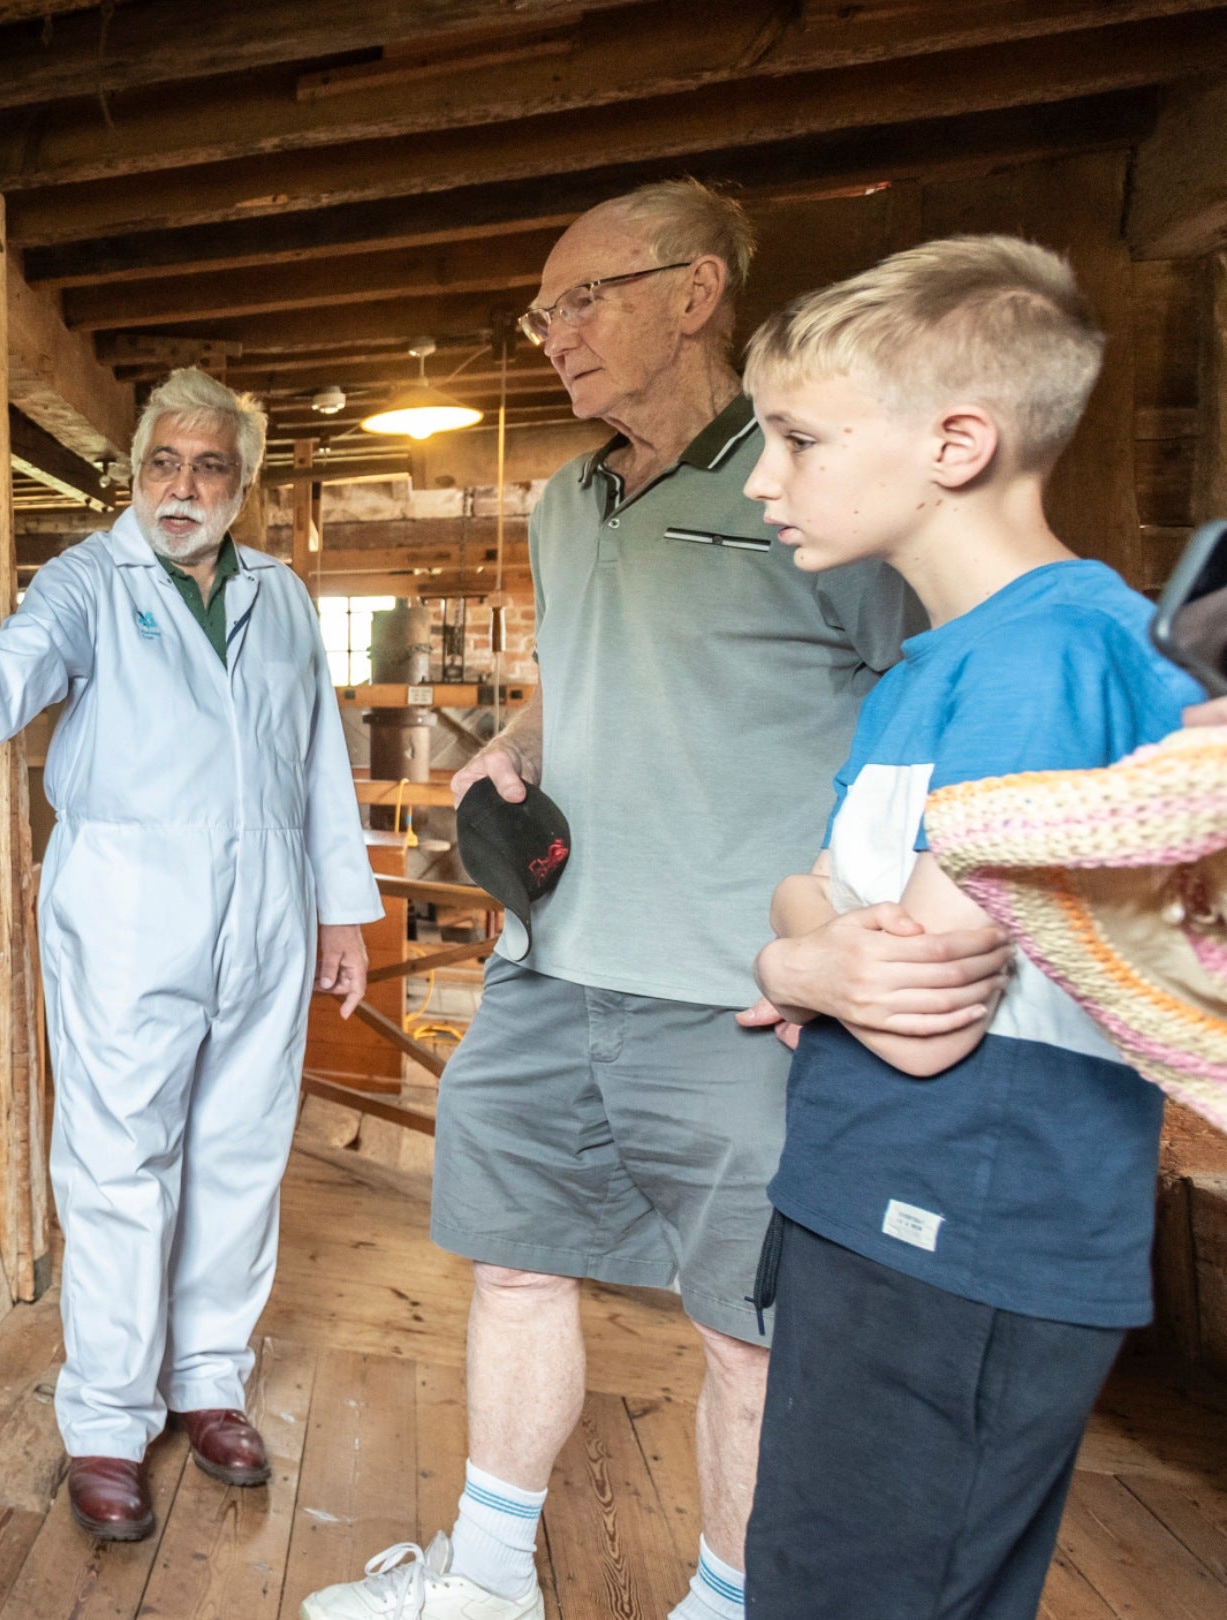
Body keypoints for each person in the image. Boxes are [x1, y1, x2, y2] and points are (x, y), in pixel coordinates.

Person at [307, 181, 933, 1620]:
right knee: (514, 1269)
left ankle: (722, 1605)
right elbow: (583, 672)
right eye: (541, 312)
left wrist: (852, 924)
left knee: (750, 1340)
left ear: (697, 291)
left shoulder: (808, 485)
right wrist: (524, 739)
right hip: (550, 970)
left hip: (742, 997)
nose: (552, 335)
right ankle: (482, 1583)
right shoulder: (562, 502)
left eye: (580, 300)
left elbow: (925, 698)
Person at [732, 236, 1202, 1619]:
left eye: (798, 438)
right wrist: (810, 950)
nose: (765, 478)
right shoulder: (935, 663)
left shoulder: (1052, 653)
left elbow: (919, 1004)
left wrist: (792, 958)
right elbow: (814, 891)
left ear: (957, 441)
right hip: (887, 1209)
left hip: (958, 1226)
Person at [0, 368, 382, 1543]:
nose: (180, 490)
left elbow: (318, 762)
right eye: (161, 467)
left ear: (244, 484)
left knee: (239, 1150)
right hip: (133, 903)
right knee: (121, 1160)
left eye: (207, 468)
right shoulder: (93, 578)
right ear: (133, 473)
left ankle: (210, 1382)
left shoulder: (282, 597)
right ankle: (106, 1419)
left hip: (271, 904)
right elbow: (14, 661)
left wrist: (343, 910)